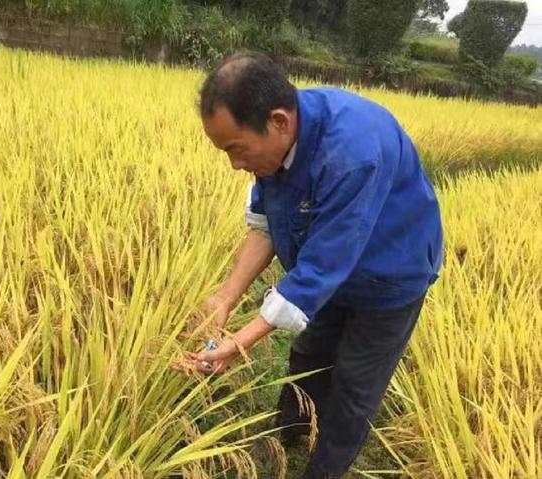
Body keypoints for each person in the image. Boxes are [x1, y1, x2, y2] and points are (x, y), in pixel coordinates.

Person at [186, 51, 444, 479]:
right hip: (329, 267)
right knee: (308, 354)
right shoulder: (276, 140)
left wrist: (240, 342)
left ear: (279, 122)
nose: (235, 165)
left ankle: (323, 470)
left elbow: (322, 267)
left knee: (355, 387)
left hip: (390, 273)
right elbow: (266, 224)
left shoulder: (352, 153)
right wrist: (224, 299)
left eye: (236, 149)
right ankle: (285, 439)